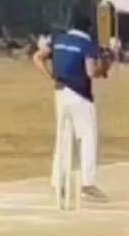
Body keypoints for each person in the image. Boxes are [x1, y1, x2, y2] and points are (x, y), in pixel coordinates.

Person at [33, 11, 109, 203]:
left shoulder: (59, 39)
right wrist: (105, 67)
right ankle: (87, 183)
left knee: (63, 138)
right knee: (87, 136)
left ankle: (58, 182)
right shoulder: (87, 44)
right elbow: (90, 72)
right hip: (80, 94)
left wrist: (50, 75)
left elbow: (37, 57)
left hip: (60, 91)